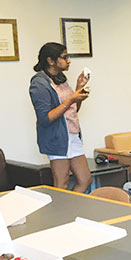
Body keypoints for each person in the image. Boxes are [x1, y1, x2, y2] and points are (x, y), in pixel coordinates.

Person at [28, 43, 91, 193]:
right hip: (56, 138)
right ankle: (61, 214)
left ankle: (72, 208)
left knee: (85, 179)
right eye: (65, 57)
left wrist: (78, 91)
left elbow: (72, 110)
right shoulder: (39, 83)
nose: (68, 60)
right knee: (61, 183)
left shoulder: (61, 79)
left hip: (72, 135)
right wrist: (71, 99)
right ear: (51, 61)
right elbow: (45, 118)